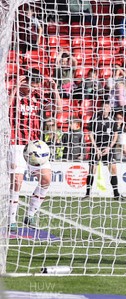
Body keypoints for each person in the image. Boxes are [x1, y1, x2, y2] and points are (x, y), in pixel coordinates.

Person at [8, 75, 54, 231]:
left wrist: (54, 90)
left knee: (46, 179)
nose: (34, 87)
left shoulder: (38, 97)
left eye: (36, 84)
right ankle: (11, 219)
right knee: (17, 181)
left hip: (35, 145)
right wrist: (15, 88)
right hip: (17, 143)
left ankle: (31, 214)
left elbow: (58, 109)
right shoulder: (15, 96)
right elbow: (5, 107)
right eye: (31, 83)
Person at [84, 101, 126, 201]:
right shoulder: (94, 120)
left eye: (107, 107)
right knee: (92, 170)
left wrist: (109, 147)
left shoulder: (112, 122)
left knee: (113, 169)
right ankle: (87, 194)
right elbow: (91, 134)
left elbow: (115, 136)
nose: (105, 108)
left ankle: (116, 194)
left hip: (107, 149)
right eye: (103, 106)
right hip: (96, 149)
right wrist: (96, 148)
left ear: (110, 109)